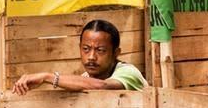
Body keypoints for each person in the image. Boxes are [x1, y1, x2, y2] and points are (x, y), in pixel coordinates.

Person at [12, 19, 148, 95]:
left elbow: (102, 86)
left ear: (116, 53)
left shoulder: (128, 72)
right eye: (86, 49)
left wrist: (47, 77)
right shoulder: (84, 79)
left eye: (100, 50)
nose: (91, 57)